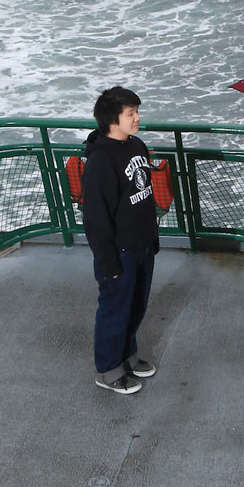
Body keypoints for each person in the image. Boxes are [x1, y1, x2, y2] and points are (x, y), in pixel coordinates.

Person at [82, 85, 159, 396]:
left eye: (137, 112)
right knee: (115, 310)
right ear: (113, 120)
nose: (137, 118)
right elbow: (95, 218)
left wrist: (152, 240)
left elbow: (144, 197)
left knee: (136, 306)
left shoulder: (136, 145)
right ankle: (108, 369)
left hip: (142, 246)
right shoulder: (100, 162)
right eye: (131, 114)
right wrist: (108, 261)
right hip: (119, 252)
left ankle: (127, 356)